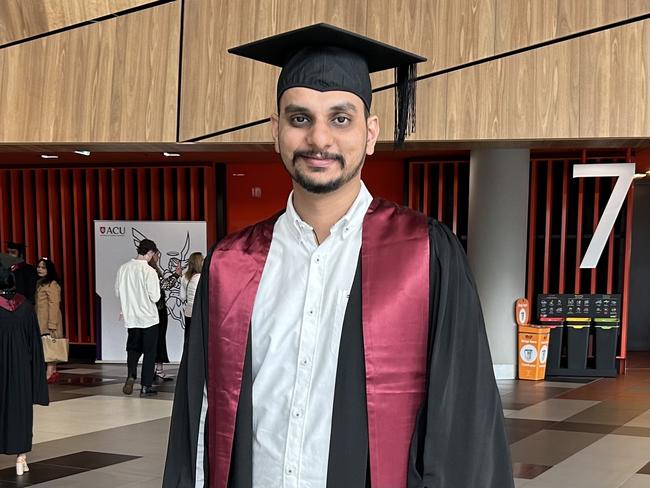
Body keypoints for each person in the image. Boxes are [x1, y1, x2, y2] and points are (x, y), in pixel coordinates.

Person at [164, 24, 513, 487]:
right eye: (300, 118)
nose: (320, 139)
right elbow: (199, 422)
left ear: (370, 133)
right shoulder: (231, 265)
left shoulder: (425, 255)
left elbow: (465, 427)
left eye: (341, 118)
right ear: (277, 131)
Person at [0, 261, 49, 475]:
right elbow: (35, 345)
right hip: (21, 367)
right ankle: (21, 458)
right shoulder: (26, 307)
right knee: (21, 410)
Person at [115, 238, 161, 397]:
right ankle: (145, 386)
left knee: (133, 349)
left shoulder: (123, 268)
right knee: (150, 352)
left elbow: (117, 292)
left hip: (131, 317)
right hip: (148, 317)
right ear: (150, 252)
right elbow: (155, 297)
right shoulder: (149, 271)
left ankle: (131, 375)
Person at [35, 257, 64, 383]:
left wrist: (52, 324)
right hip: (41, 319)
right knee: (48, 345)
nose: (40, 269)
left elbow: (54, 304)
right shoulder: (41, 283)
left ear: (49, 269)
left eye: (43, 267)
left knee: (50, 345)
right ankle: (53, 371)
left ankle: (50, 372)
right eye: (39, 267)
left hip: (49, 320)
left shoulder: (52, 284)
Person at [150, 250, 174, 382]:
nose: (159, 257)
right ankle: (157, 369)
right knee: (159, 338)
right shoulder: (152, 271)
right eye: (158, 255)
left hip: (153, 309)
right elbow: (165, 285)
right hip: (158, 309)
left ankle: (154, 369)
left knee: (155, 339)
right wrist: (176, 275)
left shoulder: (151, 270)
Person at [179, 252, 203, 345]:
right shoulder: (201, 277)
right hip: (199, 311)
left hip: (188, 311)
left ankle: (187, 358)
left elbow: (182, 297)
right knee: (198, 339)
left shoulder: (184, 276)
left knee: (188, 337)